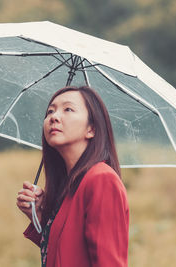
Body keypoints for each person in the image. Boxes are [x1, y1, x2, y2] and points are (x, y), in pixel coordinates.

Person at [16, 86, 129, 267]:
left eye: (68, 109)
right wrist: (39, 216)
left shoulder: (101, 179)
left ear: (91, 129)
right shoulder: (70, 186)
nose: (54, 117)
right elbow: (68, 254)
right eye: (50, 111)